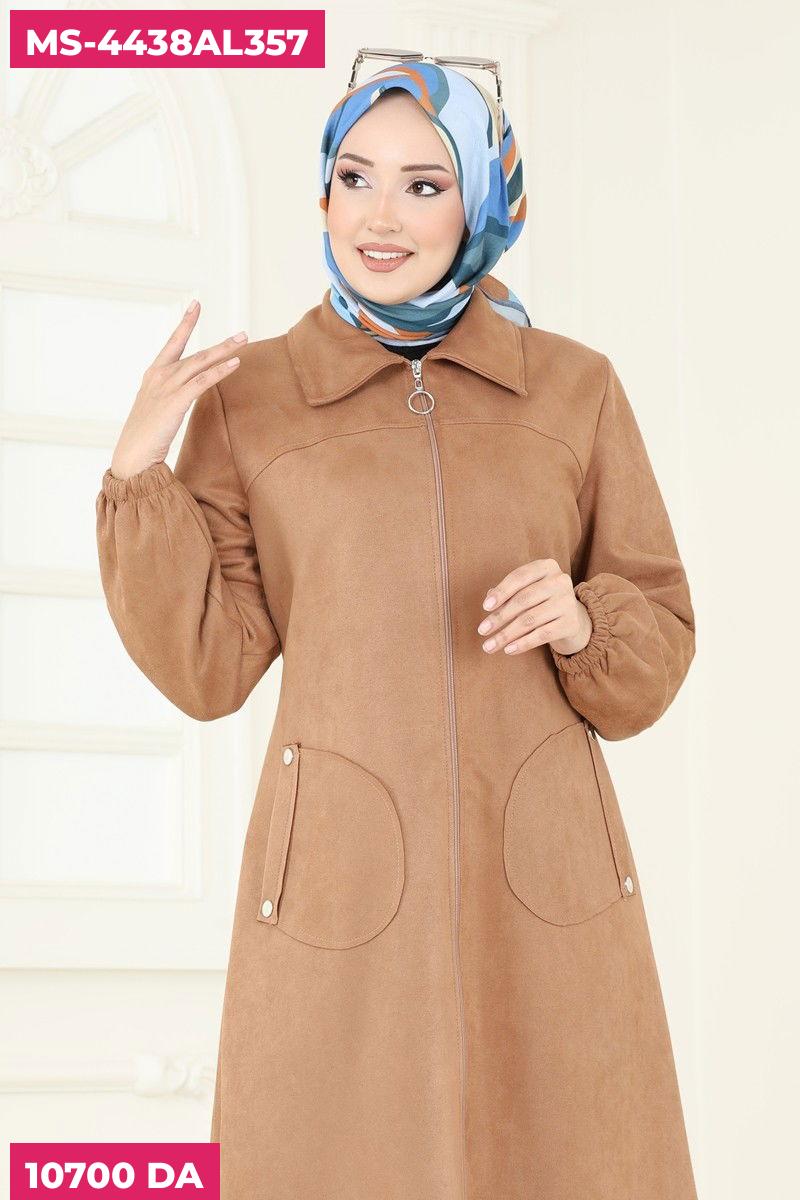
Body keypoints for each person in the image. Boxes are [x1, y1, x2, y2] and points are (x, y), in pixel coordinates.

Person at [96, 58, 699, 1199]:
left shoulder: (574, 390)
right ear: (322, 192)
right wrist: (138, 470)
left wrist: (583, 622)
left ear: (482, 202)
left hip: (543, 872)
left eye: (425, 185)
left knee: (568, 1153)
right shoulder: (248, 397)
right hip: (337, 875)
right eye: (355, 177)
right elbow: (209, 668)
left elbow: (655, 634)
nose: (381, 216)